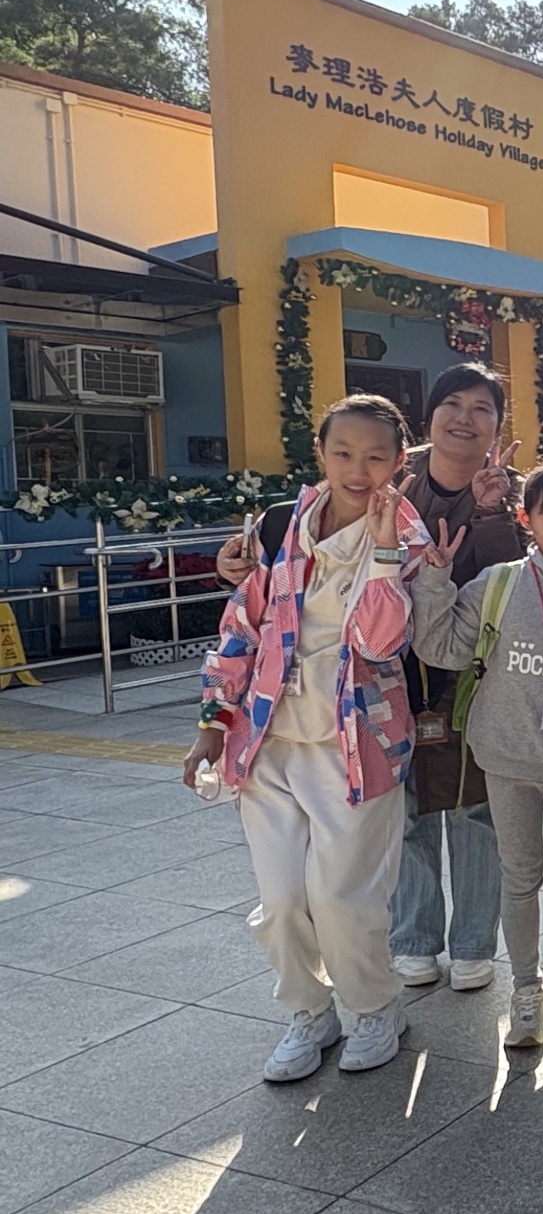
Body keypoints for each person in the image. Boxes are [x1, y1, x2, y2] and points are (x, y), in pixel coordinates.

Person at [185, 394, 428, 1083]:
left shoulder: (407, 538)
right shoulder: (279, 525)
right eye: (342, 452)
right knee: (284, 900)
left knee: (344, 897)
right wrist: (212, 723)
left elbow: (381, 641)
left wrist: (383, 553)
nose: (358, 469)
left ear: (398, 461)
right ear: (320, 452)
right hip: (268, 740)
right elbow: (241, 627)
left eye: (375, 456)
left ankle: (375, 1008)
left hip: (357, 743)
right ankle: (308, 1011)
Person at [410, 460, 543, 1057]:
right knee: (520, 877)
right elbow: (441, 647)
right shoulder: (499, 585)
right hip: (507, 757)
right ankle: (525, 994)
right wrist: (435, 579)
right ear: (526, 518)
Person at [386, 364, 528, 992]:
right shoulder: (392, 478)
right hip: (391, 669)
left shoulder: (514, 491)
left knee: (476, 806)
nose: (465, 418)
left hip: (477, 670)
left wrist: (495, 513)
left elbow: (515, 583)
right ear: (430, 415)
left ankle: (473, 943)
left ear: (497, 426)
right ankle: (412, 937)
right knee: (405, 805)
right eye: (453, 403)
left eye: (481, 408)